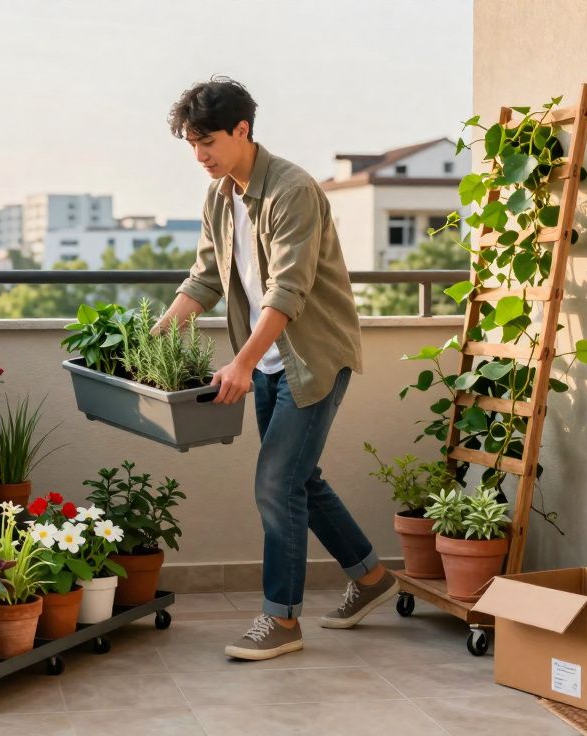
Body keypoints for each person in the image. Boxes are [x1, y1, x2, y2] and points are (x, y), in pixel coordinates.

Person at [156, 77, 399, 661]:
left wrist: (240, 363)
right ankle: (372, 578)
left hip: (311, 357)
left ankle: (281, 619)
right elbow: (205, 279)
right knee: (298, 479)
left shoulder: (293, 190)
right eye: (191, 144)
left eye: (208, 141)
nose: (200, 155)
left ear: (242, 130)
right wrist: (154, 339)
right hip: (265, 360)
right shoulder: (219, 197)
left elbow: (288, 290)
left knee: (275, 483)